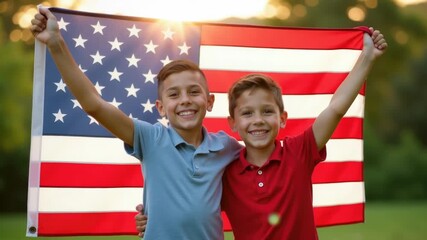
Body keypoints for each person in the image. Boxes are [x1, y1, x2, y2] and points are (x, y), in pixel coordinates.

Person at [136, 28, 388, 239]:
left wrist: (367, 58)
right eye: (247, 114)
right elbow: (193, 206)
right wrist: (151, 219)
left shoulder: (299, 151)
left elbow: (335, 108)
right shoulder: (227, 171)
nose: (258, 121)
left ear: (282, 118)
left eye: (267, 111)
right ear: (232, 123)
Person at [30, 7, 242, 240]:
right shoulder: (150, 138)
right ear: (160, 107)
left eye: (194, 92)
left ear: (209, 101)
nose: (185, 100)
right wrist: (56, 43)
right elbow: (94, 105)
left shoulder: (226, 148)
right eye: (173, 95)